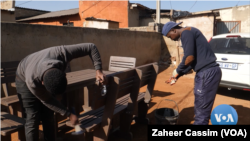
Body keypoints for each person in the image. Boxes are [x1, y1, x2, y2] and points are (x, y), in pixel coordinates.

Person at [15, 43, 106, 141]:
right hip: (23, 76)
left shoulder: (62, 53)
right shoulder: (32, 81)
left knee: (49, 115)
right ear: (42, 83)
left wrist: (98, 70)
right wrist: (68, 114)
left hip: (39, 66)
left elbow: (90, 47)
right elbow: (47, 100)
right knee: (32, 117)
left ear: (63, 73)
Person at [162, 21, 222, 125]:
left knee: (201, 113)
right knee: (202, 109)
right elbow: (191, 63)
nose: (171, 38)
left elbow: (189, 58)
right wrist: (177, 75)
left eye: (169, 36)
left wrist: (176, 70)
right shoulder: (189, 31)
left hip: (206, 73)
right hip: (209, 72)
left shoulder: (186, 33)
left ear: (173, 30)